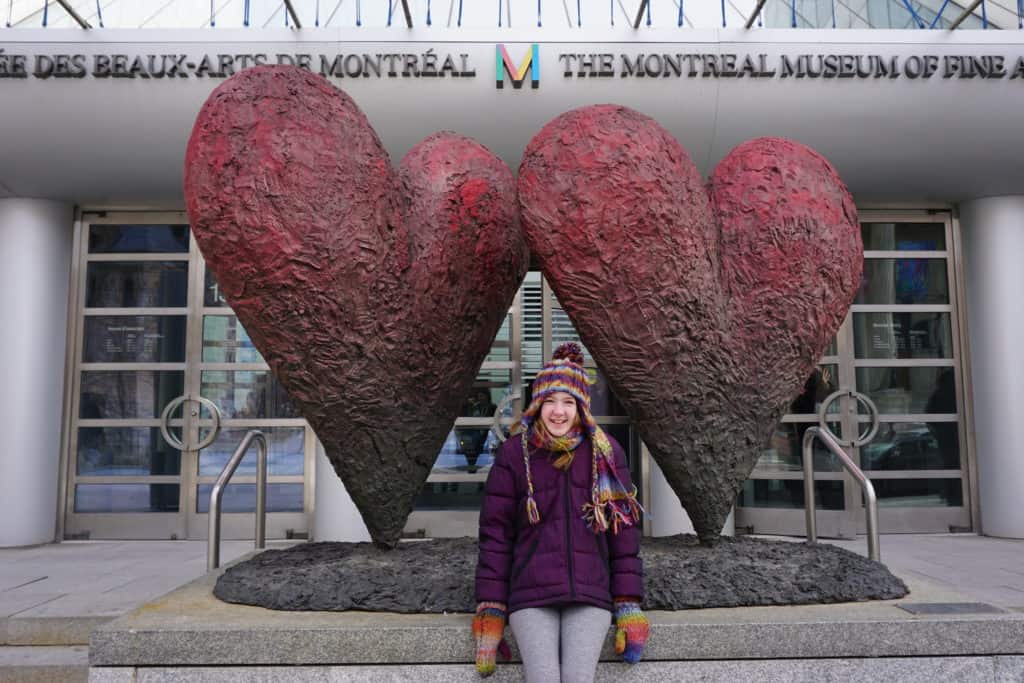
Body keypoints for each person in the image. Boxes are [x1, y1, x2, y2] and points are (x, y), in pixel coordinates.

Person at [472, 342, 648, 681]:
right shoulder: (513, 455)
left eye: (568, 402)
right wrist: (491, 608)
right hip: (530, 594)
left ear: (582, 407)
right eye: (549, 401)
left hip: (590, 593)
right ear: (537, 405)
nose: (558, 411)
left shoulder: (606, 454)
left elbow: (623, 535)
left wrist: (627, 603)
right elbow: (495, 535)